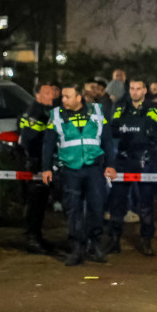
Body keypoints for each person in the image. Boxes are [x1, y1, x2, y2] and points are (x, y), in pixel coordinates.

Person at [41, 84, 117, 266]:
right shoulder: (56, 115)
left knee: (97, 209)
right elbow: (48, 143)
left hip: (94, 168)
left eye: (67, 97)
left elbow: (107, 139)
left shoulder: (97, 112)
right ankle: (77, 248)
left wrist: (111, 165)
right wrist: (46, 168)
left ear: (79, 98)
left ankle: (94, 245)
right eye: (63, 97)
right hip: (70, 169)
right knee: (73, 210)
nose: (63, 100)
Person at [105, 79, 157, 256]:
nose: (135, 92)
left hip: (145, 160)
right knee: (117, 202)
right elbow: (112, 130)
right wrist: (117, 131)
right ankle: (114, 240)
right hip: (124, 159)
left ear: (144, 90)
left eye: (138, 89)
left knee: (146, 204)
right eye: (132, 89)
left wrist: (151, 133)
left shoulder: (154, 109)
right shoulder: (121, 108)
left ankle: (146, 241)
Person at [19, 81, 60, 254]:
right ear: (38, 95)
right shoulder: (35, 114)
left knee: (41, 202)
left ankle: (37, 237)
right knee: (35, 202)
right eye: (48, 93)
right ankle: (32, 238)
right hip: (34, 165)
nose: (53, 95)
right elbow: (31, 142)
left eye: (54, 92)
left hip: (39, 164)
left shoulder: (43, 112)